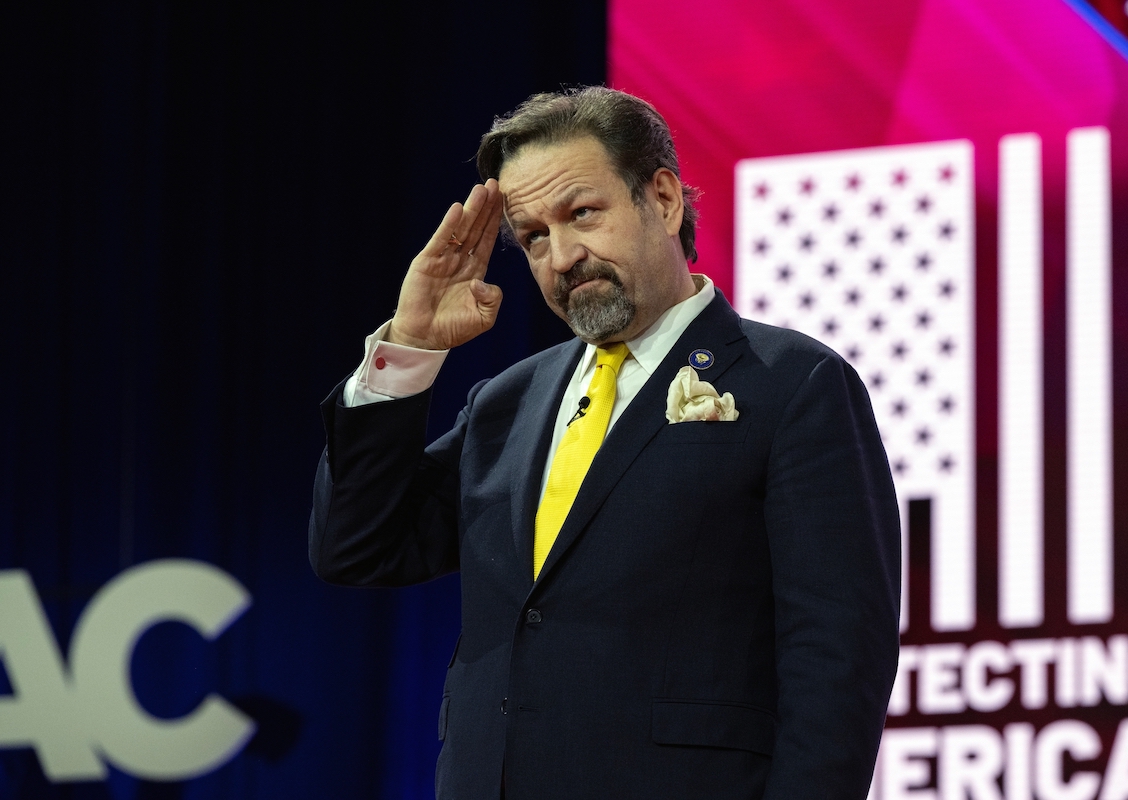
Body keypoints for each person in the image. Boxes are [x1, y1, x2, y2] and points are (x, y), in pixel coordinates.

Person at [310, 86, 900, 800]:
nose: (562, 257)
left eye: (582, 213)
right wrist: (409, 348)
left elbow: (839, 654)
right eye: (533, 236)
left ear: (663, 199)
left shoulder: (792, 383)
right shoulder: (508, 402)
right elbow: (358, 547)